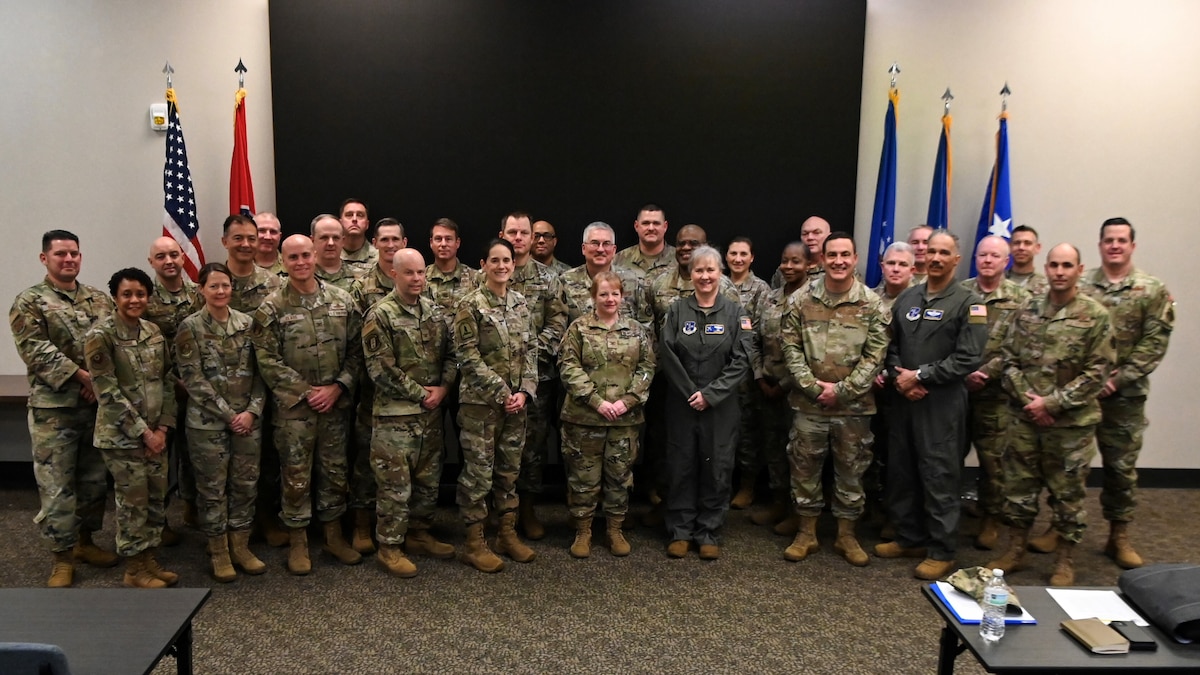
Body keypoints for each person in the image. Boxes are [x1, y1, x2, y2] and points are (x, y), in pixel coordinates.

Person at [986, 244, 1115, 586]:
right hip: (1025, 418)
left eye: (1067, 265)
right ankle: (1015, 550)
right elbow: (1008, 359)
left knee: (1068, 494)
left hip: (1070, 425)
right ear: (1046, 268)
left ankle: (1065, 560)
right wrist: (1030, 401)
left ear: (1079, 269)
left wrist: (1052, 404)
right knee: (1018, 489)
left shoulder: (1095, 316)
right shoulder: (1026, 309)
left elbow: (1097, 372)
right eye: (1054, 265)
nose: (1059, 271)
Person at [875, 231, 987, 580]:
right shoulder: (907, 299)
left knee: (939, 474)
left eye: (944, 253)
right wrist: (900, 378)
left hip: (942, 404)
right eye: (932, 252)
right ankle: (909, 537)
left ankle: (941, 549)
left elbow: (968, 357)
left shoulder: (971, 303)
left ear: (956, 260)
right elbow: (891, 347)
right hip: (905, 401)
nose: (936, 258)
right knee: (902, 471)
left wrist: (920, 376)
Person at [10, 230, 117, 587]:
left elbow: (112, 343)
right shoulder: (29, 301)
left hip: (93, 405)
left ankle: (85, 543)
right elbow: (36, 350)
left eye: (74, 253)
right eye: (60, 254)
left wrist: (96, 382)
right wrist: (82, 378)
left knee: (93, 481)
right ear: (45, 259)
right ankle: (61, 556)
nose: (68, 259)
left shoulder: (99, 300)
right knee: (56, 486)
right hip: (53, 409)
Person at [252, 234, 364, 575]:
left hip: (334, 406)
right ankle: (298, 539)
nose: (300, 262)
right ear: (283, 261)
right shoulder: (271, 307)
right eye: (293, 257)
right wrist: (306, 391)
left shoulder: (343, 301)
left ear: (315, 256)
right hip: (294, 411)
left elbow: (358, 351)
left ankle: (332, 535)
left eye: (305, 255)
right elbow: (265, 359)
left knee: (334, 471)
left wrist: (337, 388)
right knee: (295, 475)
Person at [780, 233, 889, 566]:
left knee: (852, 469)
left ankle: (846, 535)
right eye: (832, 255)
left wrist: (841, 391)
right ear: (822, 259)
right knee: (804, 466)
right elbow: (790, 346)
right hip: (808, 403)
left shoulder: (872, 304)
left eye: (845, 254)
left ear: (855, 259)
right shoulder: (801, 300)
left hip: (854, 407)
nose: (839, 260)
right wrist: (813, 387)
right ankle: (807, 533)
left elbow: (876, 355)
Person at [1072, 217, 1173, 569]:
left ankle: (1119, 535)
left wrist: (1116, 380)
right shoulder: (1081, 286)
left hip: (1125, 396)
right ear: (1100, 245)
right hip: (1082, 394)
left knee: (1120, 468)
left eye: (1121, 240)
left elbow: (1154, 344)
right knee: (1070, 467)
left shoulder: (1151, 290)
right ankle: (1062, 528)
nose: (1115, 245)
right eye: (1109, 240)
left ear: (1132, 245)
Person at [362, 248, 458, 578]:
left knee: (428, 481)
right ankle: (389, 547)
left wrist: (444, 388)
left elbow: (452, 356)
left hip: (429, 415)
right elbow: (381, 370)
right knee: (394, 486)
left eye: (421, 273)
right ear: (394, 274)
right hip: (395, 417)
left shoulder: (434, 312)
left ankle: (419, 534)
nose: (417, 278)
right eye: (409, 273)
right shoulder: (380, 315)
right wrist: (422, 395)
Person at [84, 267, 178, 588]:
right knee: (133, 501)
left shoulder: (153, 331)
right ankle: (134, 568)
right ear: (115, 296)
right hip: (122, 437)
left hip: (156, 434)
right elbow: (106, 391)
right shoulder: (101, 335)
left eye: (140, 293)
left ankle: (149, 559)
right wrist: (144, 433)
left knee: (154, 499)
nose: (134, 299)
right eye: (127, 294)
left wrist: (163, 428)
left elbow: (166, 380)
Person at [659, 245, 753, 560]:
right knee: (681, 466)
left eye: (711, 270)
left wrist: (711, 395)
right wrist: (690, 392)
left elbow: (742, 360)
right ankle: (681, 531)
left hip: (720, 407)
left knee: (717, 467)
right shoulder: (676, 311)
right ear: (691, 274)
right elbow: (667, 353)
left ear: (720, 273)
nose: (705, 276)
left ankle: (709, 531)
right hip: (682, 404)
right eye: (699, 270)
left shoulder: (735, 313)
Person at [175, 262, 267, 582]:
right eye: (213, 286)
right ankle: (219, 552)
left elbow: (261, 372)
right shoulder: (190, 327)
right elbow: (193, 379)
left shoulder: (247, 323)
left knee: (245, 485)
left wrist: (252, 411)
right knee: (212, 490)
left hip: (247, 421)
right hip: (208, 424)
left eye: (225, 285)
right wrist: (229, 415)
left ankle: (240, 546)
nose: (220, 291)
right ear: (201, 290)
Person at [453, 238, 539, 572]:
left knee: (508, 472)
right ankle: (474, 543)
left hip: (516, 406)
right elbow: (467, 355)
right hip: (481, 405)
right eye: (495, 260)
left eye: (507, 260)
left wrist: (526, 391)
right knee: (478, 474)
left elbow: (530, 350)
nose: (502, 266)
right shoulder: (470, 305)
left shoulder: (520, 303)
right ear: (483, 264)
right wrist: (501, 390)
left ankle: (506, 534)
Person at [558, 271, 656, 557]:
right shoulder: (579, 328)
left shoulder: (637, 330)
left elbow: (647, 368)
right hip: (584, 418)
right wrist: (596, 401)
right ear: (593, 297)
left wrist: (628, 400)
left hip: (624, 419)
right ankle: (583, 531)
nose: (609, 299)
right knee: (583, 477)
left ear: (622, 296)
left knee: (619, 476)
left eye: (614, 293)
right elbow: (568, 367)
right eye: (603, 294)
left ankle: (615, 529)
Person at [500, 211, 569, 541]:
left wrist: (526, 361)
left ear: (531, 237)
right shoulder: (487, 274)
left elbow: (557, 326)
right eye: (512, 231)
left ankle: (526, 510)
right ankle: (498, 514)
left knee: (532, 449)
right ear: (502, 233)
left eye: (523, 232)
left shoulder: (549, 278)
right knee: (493, 449)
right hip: (494, 383)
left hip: (537, 380)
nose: (518, 237)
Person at [962, 236, 1029, 551]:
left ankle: (990, 519)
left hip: (997, 394)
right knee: (948, 456)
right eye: (982, 254)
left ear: (1007, 261)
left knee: (993, 462)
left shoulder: (1021, 298)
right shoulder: (961, 293)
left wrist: (987, 373)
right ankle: (948, 516)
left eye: (995, 256)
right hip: (957, 391)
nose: (987, 260)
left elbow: (1020, 346)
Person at [346, 217, 407, 554]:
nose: (390, 245)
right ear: (376, 243)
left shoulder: (415, 278)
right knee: (367, 461)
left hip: (410, 395)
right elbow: (355, 340)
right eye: (383, 240)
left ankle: (404, 527)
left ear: (404, 241)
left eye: (395, 239)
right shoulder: (362, 286)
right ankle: (361, 525)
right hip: (373, 392)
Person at [746, 242, 809, 526]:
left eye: (796, 261)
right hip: (767, 384)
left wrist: (783, 384)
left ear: (808, 264)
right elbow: (754, 339)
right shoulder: (769, 298)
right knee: (772, 447)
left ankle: (799, 511)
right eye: (785, 261)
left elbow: (810, 351)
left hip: (796, 388)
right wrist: (759, 376)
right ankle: (778, 503)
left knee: (798, 450)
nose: (789, 266)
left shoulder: (813, 299)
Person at [144, 237, 202, 540]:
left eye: (174, 254)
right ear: (151, 261)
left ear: (183, 258)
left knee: (195, 453)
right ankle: (160, 520)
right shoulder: (144, 297)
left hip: (196, 390)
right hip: (160, 390)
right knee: (161, 459)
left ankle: (193, 507)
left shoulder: (198, 293)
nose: (169, 261)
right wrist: (172, 382)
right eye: (161, 256)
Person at [726, 236, 770, 511]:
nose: (738, 258)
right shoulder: (717, 283)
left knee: (746, 430)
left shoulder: (761, 289)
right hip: (720, 368)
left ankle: (747, 485)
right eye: (733, 253)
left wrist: (758, 371)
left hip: (746, 369)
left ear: (752, 257)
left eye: (744, 253)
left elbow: (761, 333)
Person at [559, 222, 643, 325]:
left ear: (613, 250)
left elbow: (646, 323)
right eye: (595, 243)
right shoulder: (566, 281)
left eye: (606, 244)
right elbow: (558, 324)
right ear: (584, 248)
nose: (600, 249)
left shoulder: (632, 281)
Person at [222, 214, 283, 314]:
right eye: (238, 238)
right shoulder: (212, 283)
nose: (246, 244)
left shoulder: (274, 282)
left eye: (251, 239)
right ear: (225, 242)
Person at [424, 217, 480, 316]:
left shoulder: (476, 278)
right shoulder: (421, 278)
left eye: (448, 239)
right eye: (438, 239)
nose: (443, 244)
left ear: (457, 243)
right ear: (431, 243)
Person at [614, 203, 675, 281]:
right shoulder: (618, 260)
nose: (651, 228)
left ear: (665, 226)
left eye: (656, 223)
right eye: (645, 223)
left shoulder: (679, 261)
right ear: (636, 226)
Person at [771, 216, 829, 288]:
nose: (810, 237)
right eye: (805, 234)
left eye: (816, 233)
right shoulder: (786, 269)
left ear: (829, 236)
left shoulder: (833, 269)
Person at [313, 214, 362, 292]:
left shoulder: (362, 277)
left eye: (336, 238)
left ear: (343, 241)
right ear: (312, 241)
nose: (331, 243)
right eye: (324, 237)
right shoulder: (303, 276)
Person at [873, 241, 917, 313]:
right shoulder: (869, 297)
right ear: (883, 268)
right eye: (891, 263)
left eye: (903, 264)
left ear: (912, 271)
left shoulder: (920, 300)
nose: (896, 269)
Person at [1006, 225, 1048, 295]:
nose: (1021, 247)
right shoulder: (997, 282)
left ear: (1037, 248)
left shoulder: (1046, 286)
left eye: (1027, 243)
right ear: (1010, 247)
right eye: (1017, 243)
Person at [339, 198, 378, 275]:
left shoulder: (379, 258)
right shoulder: (330, 254)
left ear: (367, 224)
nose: (354, 219)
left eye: (360, 215)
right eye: (349, 215)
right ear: (340, 223)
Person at [253, 212, 286, 277]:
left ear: (280, 237)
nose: (267, 237)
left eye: (273, 232)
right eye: (261, 231)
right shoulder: (241, 266)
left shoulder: (292, 265)